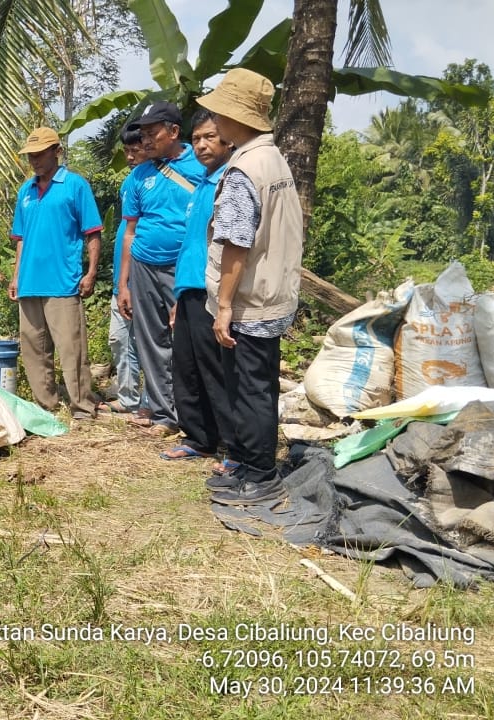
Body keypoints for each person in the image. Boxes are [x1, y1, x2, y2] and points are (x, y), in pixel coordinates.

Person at [197, 68, 304, 505]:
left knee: (251, 388)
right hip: (273, 290)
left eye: (219, 112)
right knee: (253, 384)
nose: (214, 121)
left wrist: (224, 306)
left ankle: (260, 473)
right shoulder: (272, 158)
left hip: (250, 299)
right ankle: (245, 461)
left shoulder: (244, 168)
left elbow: (236, 245)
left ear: (235, 116)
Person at [118, 101, 205, 437]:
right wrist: (123, 284)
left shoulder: (200, 166)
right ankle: (163, 415)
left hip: (185, 267)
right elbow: (130, 232)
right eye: (143, 133)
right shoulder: (139, 175)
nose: (147, 139)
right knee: (151, 341)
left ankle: (194, 414)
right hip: (143, 265)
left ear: (173, 131)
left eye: (153, 132)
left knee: (187, 339)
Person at [8, 127, 103, 418]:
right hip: (29, 282)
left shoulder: (74, 185)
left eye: (39, 154)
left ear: (57, 152)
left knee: (71, 349)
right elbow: (21, 239)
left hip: (62, 282)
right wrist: (15, 276)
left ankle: (82, 406)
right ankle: (44, 405)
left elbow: (92, 232)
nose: (34, 160)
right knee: (34, 349)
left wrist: (91, 272)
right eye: (30, 156)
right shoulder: (25, 191)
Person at [161, 109, 235, 463]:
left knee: (215, 368)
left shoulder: (229, 181)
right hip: (188, 288)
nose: (202, 145)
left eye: (209, 137)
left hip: (213, 289)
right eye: (196, 139)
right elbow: (190, 243)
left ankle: (233, 446)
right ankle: (198, 438)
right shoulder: (202, 184)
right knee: (186, 368)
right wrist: (178, 296)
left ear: (228, 139)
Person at [101, 128, 148, 416]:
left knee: (148, 342)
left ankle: (154, 402)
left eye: (136, 150)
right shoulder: (131, 182)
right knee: (120, 338)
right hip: (123, 278)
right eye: (127, 151)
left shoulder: (162, 180)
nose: (130, 157)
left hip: (145, 277)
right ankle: (128, 397)